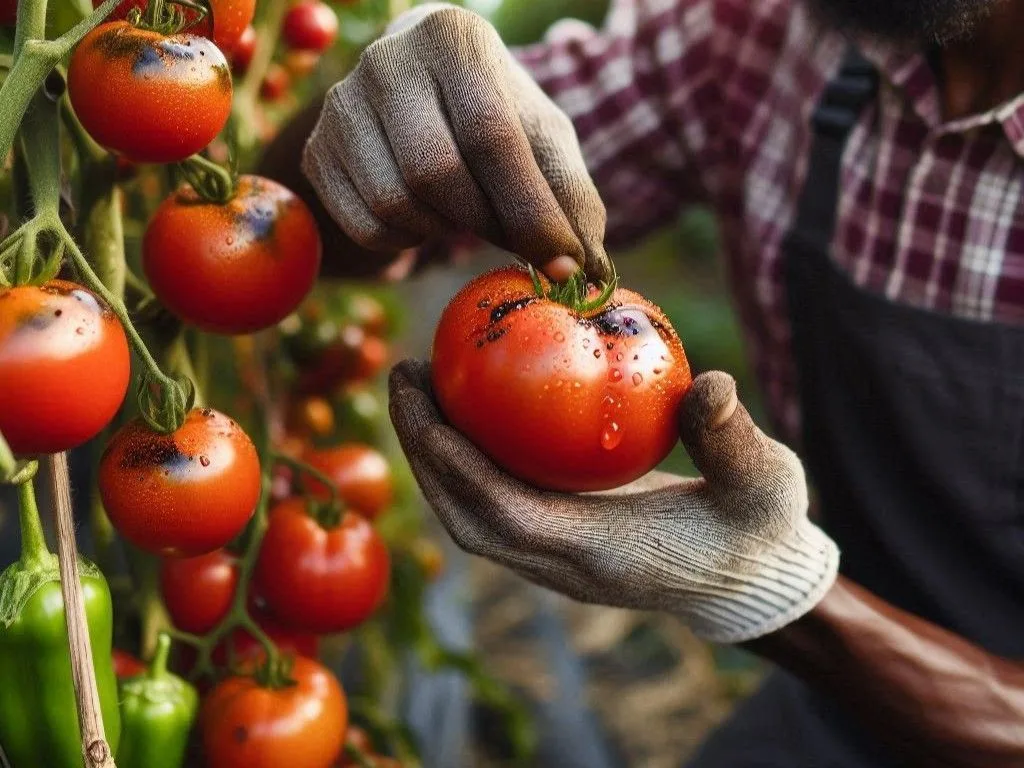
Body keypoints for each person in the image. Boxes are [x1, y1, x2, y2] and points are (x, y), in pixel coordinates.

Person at [269, 0, 1024, 764]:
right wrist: (394, 109)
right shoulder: (762, 35)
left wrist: (773, 591)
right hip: (838, 701)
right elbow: (281, 223)